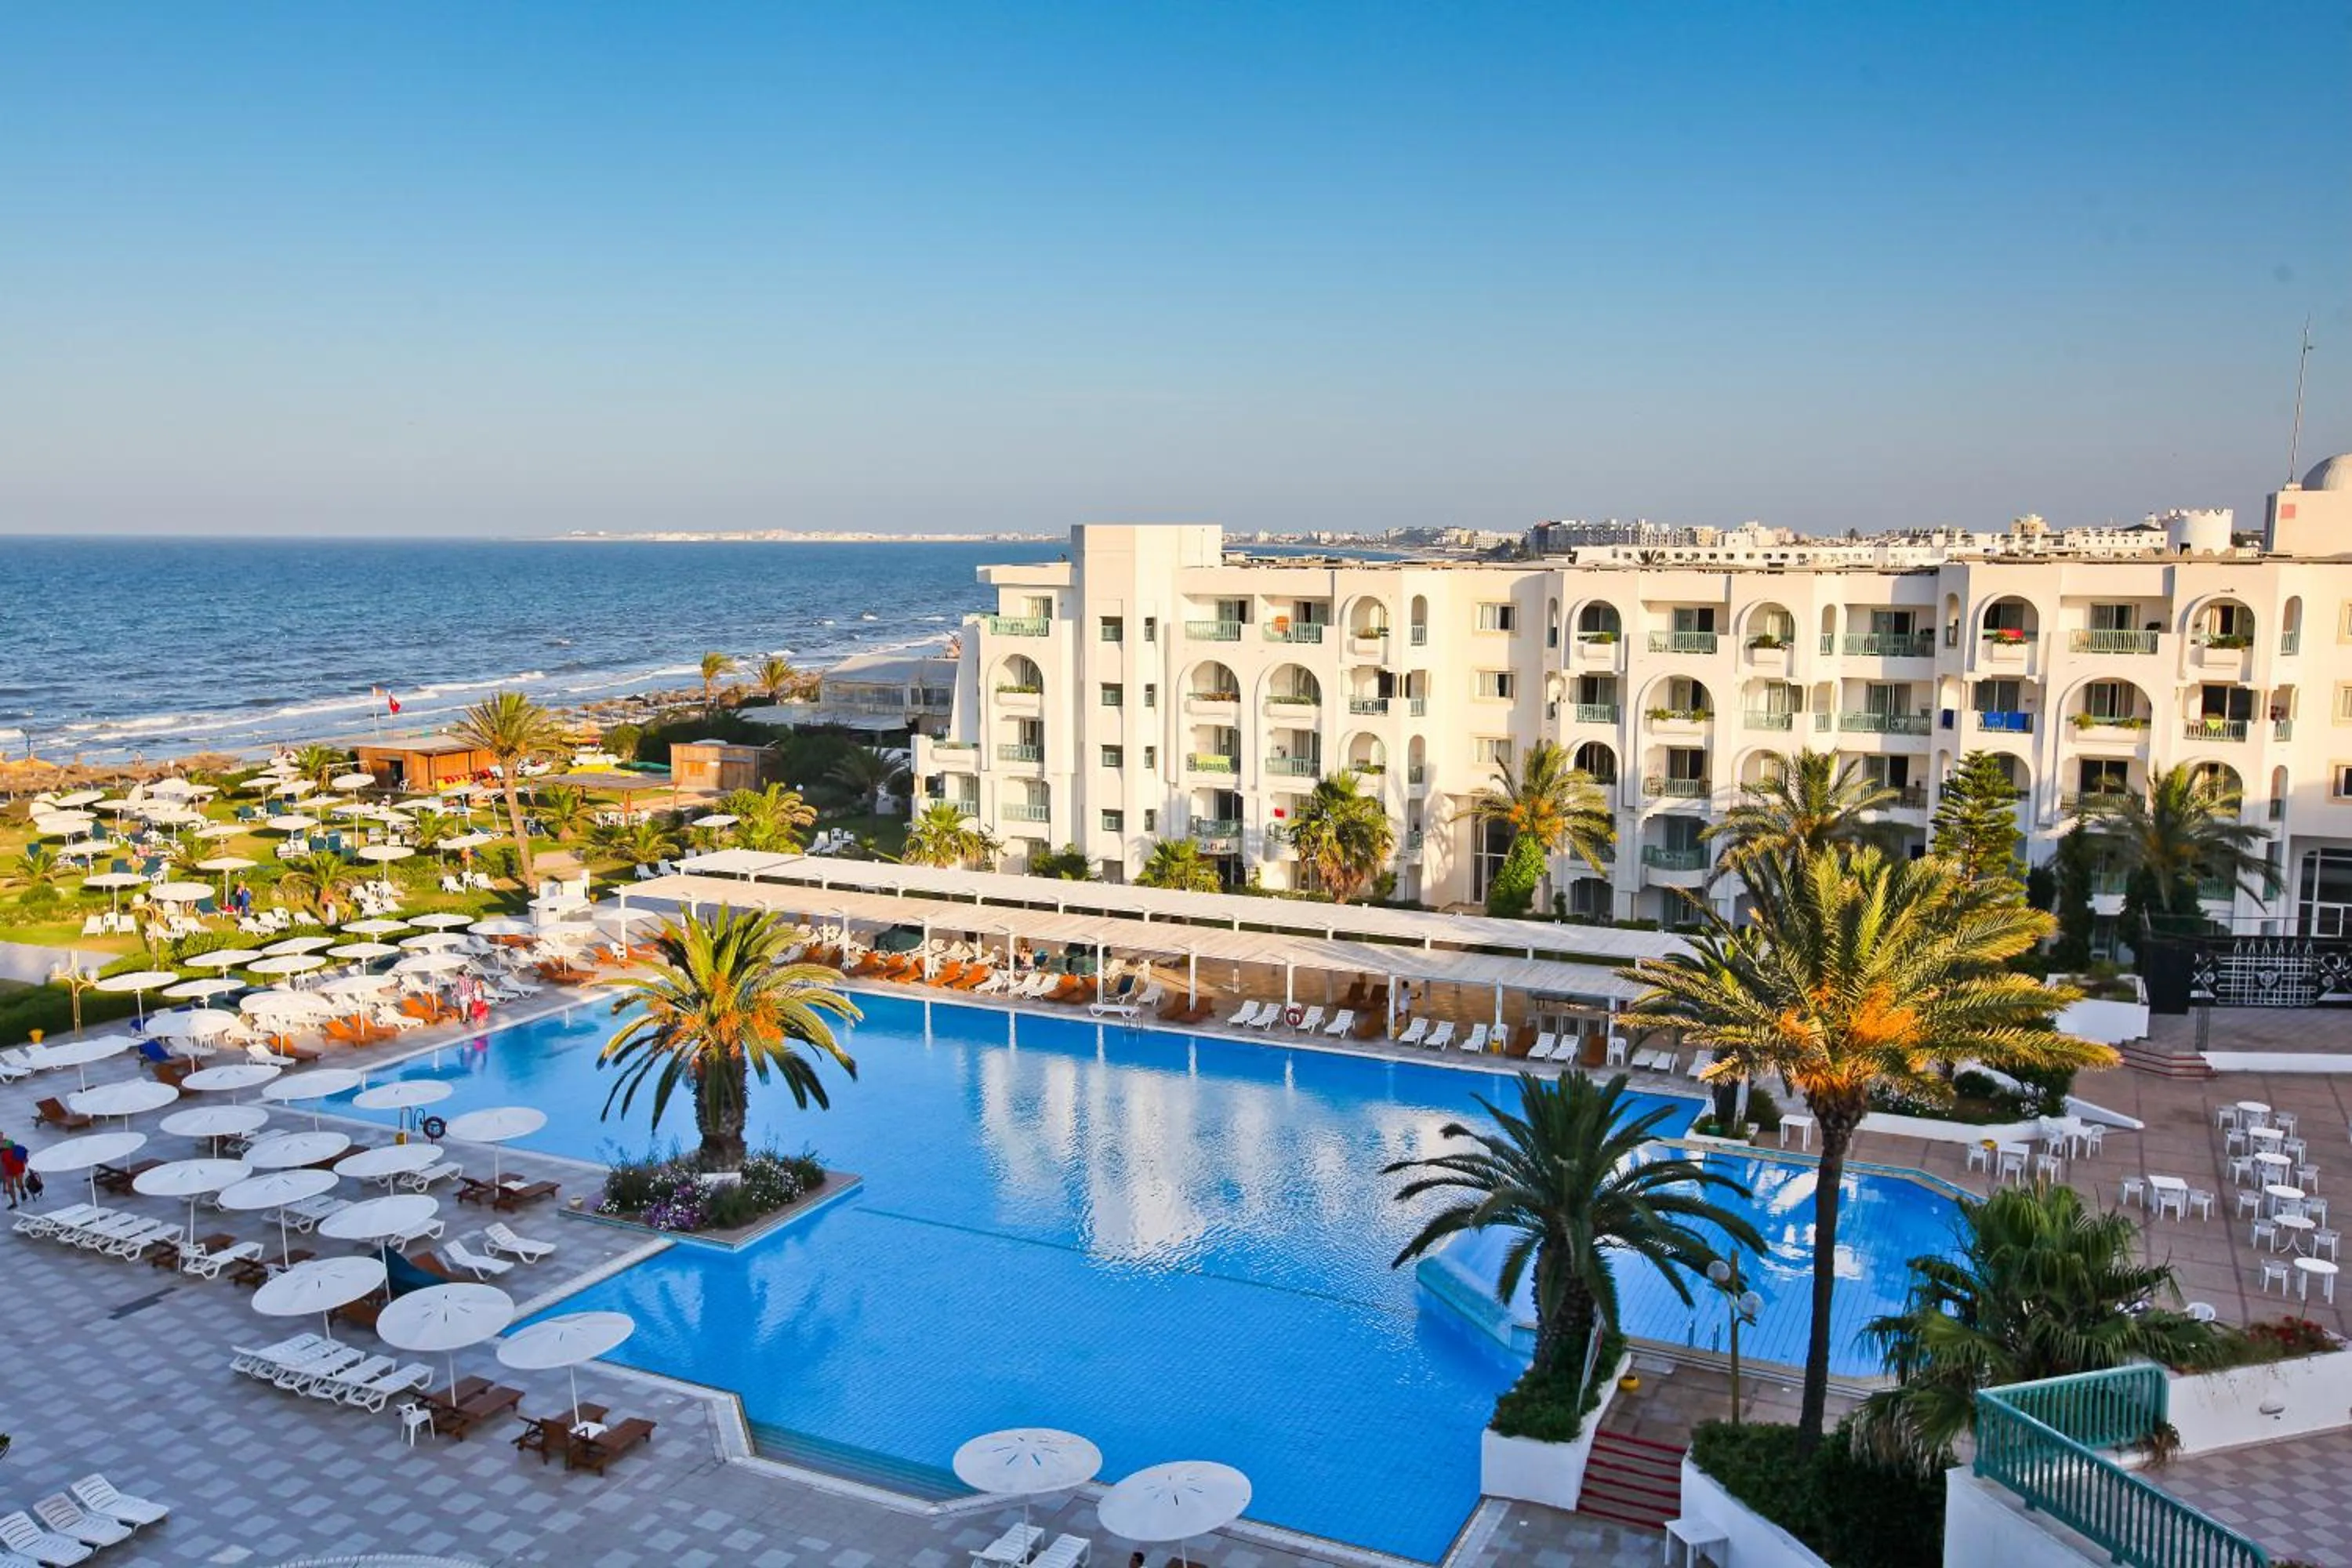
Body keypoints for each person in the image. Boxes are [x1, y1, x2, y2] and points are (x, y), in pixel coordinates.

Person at [1, 1135, 29, 1210]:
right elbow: (3, 1164)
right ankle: (14, 1202)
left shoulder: (18, 1151)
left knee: (18, 1184)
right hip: (9, 1171)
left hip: (18, 1170)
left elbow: (25, 1159)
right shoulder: (4, 1154)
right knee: (10, 1186)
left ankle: (22, 1191)